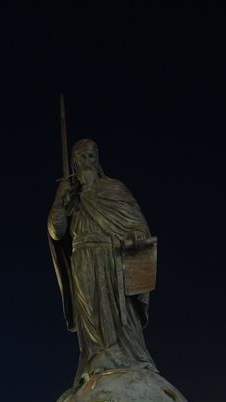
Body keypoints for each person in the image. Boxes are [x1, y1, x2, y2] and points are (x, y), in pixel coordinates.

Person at [47, 139, 156, 383]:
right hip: (82, 260)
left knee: (120, 312)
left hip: (111, 257)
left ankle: (131, 357)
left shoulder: (113, 188)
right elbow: (57, 231)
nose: (88, 161)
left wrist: (137, 233)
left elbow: (137, 223)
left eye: (92, 156)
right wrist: (59, 200)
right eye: (83, 157)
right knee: (91, 311)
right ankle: (96, 358)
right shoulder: (70, 198)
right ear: (74, 161)